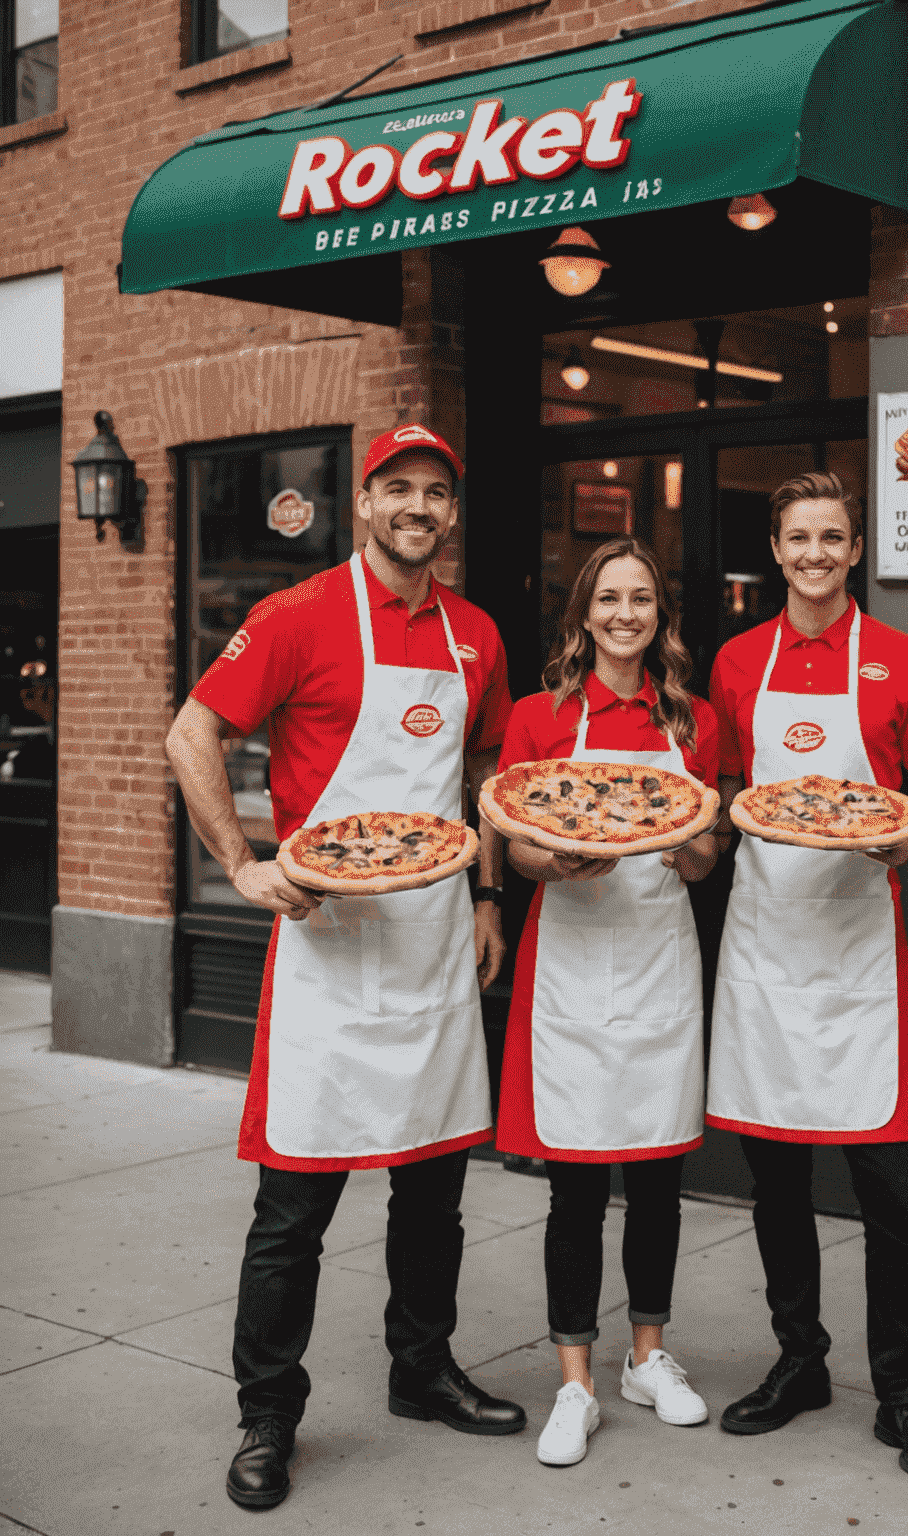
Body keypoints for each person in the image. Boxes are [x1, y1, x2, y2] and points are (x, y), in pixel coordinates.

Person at [165, 424, 525, 1512]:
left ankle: (422, 1369)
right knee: (294, 1210)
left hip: (430, 939)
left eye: (436, 494)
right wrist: (238, 861)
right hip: (327, 943)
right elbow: (193, 732)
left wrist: (489, 891)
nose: (419, 507)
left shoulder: (476, 635)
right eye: (398, 489)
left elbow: (489, 761)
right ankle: (267, 1411)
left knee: (433, 1191)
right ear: (365, 503)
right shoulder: (298, 614)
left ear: (451, 515)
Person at [706, 471, 908, 1486]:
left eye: (832, 538)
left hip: (860, 947)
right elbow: (727, 788)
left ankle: (906, 1393)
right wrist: (731, 816)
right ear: (776, 549)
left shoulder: (902, 659)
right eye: (797, 537)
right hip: (766, 942)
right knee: (776, 1181)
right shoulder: (736, 660)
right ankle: (799, 1360)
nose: (814, 554)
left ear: (856, 550)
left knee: (891, 1197)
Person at [488, 537, 720, 1468]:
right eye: (609, 599)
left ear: (661, 614)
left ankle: (648, 1358)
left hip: (661, 956)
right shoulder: (541, 717)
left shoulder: (694, 720)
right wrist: (560, 858)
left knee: (659, 1176)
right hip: (571, 970)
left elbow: (709, 854)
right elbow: (511, 840)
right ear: (583, 613)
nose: (626, 614)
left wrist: (688, 846)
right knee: (576, 1184)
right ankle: (575, 1381)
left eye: (642, 599)